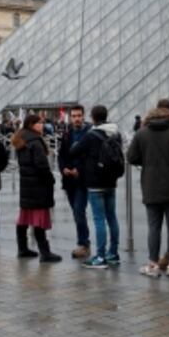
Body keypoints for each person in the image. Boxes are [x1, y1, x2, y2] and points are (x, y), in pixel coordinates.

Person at [126, 99, 169, 278]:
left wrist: (147, 161)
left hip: (151, 184)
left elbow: (131, 157)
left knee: (153, 226)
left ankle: (152, 264)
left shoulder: (142, 133)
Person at [71, 105, 123, 269]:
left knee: (99, 219)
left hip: (95, 182)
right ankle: (113, 253)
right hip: (111, 181)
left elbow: (74, 151)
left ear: (92, 118)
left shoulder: (91, 135)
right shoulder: (116, 133)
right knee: (112, 218)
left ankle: (100, 256)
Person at [13, 114, 62, 262]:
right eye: (38, 123)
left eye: (41, 123)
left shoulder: (21, 139)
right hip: (38, 185)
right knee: (39, 219)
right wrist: (51, 179)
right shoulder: (35, 141)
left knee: (24, 217)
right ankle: (45, 253)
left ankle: (22, 248)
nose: (41, 125)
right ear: (30, 124)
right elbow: (42, 166)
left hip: (27, 185)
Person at [58, 105, 92, 259]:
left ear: (83, 116)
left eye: (79, 115)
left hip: (83, 179)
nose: (77, 118)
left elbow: (91, 156)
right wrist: (64, 168)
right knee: (76, 211)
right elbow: (62, 155)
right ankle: (84, 241)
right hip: (69, 180)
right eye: (74, 116)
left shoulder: (90, 133)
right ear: (70, 118)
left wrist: (79, 170)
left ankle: (83, 243)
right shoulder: (67, 134)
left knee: (79, 210)